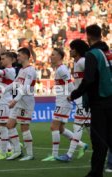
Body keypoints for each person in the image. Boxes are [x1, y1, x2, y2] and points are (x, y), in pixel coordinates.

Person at [68, 24, 112, 177]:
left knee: (99, 140)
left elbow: (89, 80)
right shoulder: (108, 52)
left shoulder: (93, 54)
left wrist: (74, 94)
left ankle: (95, 173)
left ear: (88, 36)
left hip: (100, 101)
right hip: (110, 99)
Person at [42, 48, 86, 161]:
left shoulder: (62, 69)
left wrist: (74, 97)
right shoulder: (58, 69)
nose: (51, 56)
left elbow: (70, 85)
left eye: (53, 54)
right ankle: (82, 145)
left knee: (53, 127)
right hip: (62, 101)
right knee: (60, 129)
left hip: (64, 102)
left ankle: (55, 154)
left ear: (60, 57)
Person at [56, 39, 90, 162]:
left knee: (77, 125)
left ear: (78, 50)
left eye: (72, 48)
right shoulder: (77, 63)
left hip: (85, 100)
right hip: (82, 99)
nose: (70, 51)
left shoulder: (82, 61)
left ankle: (69, 155)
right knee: (89, 127)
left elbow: (92, 76)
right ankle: (103, 153)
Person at [4, 47, 37, 161]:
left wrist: (14, 100)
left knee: (24, 127)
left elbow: (25, 87)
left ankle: (30, 154)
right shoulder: (22, 70)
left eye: (19, 55)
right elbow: (15, 84)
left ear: (25, 56)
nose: (17, 57)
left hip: (26, 103)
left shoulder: (31, 70)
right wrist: (0, 91)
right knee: (9, 125)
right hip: (19, 102)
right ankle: (17, 151)